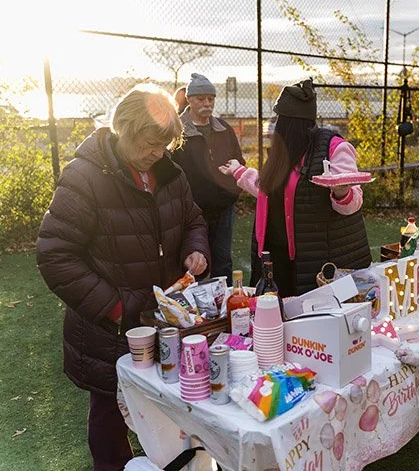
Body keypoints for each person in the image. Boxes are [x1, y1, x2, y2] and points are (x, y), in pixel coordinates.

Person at [36, 83, 211, 471]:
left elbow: (192, 219)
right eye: (150, 143)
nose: (157, 153)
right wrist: (114, 307)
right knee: (109, 414)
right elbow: (55, 255)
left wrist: (195, 249)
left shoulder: (170, 172)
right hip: (110, 328)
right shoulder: (84, 177)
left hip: (162, 319)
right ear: (125, 131)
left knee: (170, 406)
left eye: (164, 144)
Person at [219, 78, 371, 296]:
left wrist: (341, 191)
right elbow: (269, 190)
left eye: (279, 120)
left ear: (289, 124)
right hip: (275, 257)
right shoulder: (284, 152)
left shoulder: (335, 148)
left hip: (314, 260)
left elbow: (351, 205)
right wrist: (239, 171)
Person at [173, 73, 245, 285]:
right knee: (194, 265)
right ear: (189, 99)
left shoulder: (224, 129)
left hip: (224, 209)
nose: (207, 103)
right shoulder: (177, 131)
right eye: (200, 99)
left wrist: (232, 193)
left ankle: (227, 310)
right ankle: (196, 315)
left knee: (223, 261)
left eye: (210, 99)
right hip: (191, 212)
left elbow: (239, 162)